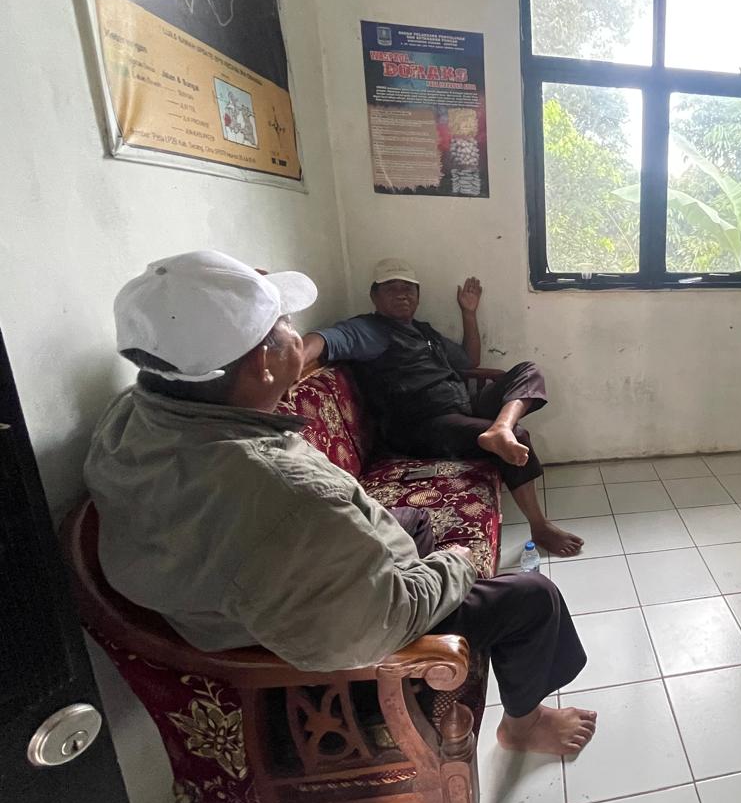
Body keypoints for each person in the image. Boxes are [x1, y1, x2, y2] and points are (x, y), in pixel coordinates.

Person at [85, 251, 596, 755]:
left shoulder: (133, 415)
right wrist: (456, 564)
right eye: (284, 324)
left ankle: (491, 445)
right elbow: (376, 624)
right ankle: (523, 726)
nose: (295, 333)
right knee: (534, 598)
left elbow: (461, 362)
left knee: (412, 520)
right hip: (331, 655)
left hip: (256, 601)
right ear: (263, 363)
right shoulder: (288, 488)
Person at [301, 259, 582, 557]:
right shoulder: (369, 330)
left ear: (418, 295)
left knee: (528, 370)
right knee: (519, 435)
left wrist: (468, 313)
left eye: (408, 288)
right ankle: (540, 527)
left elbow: (469, 360)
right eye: (391, 288)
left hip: (459, 405)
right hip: (423, 425)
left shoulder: (424, 332)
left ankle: (500, 427)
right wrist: (295, 356)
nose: (402, 294)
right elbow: (323, 339)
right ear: (374, 296)